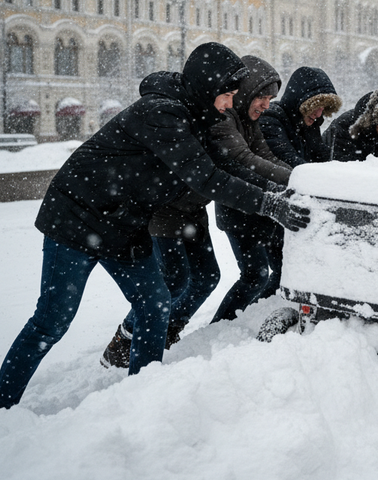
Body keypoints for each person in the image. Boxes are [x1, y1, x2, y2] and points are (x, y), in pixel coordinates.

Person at [0, 42, 310, 409]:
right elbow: (207, 178)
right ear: (208, 87)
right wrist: (268, 204)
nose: (229, 103)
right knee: (52, 320)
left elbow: (231, 163)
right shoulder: (162, 114)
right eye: (226, 94)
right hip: (78, 217)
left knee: (155, 305)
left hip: (126, 224)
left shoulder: (202, 116)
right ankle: (4, 402)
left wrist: (285, 189)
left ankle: (140, 397)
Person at [210, 55, 295, 323]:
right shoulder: (225, 118)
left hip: (254, 209)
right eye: (263, 98)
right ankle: (221, 325)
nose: (266, 105)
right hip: (237, 208)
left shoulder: (249, 119)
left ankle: (238, 321)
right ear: (248, 91)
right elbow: (244, 160)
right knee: (254, 274)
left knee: (260, 274)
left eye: (271, 100)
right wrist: (296, 180)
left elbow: (266, 156)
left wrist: (299, 177)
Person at [100, 189, 223, 368]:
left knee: (207, 277)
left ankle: (169, 329)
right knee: (172, 281)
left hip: (194, 211)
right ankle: (124, 338)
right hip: (164, 211)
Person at [259, 66, 342, 166]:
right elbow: (288, 162)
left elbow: (323, 157)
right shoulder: (270, 118)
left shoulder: (309, 123)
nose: (319, 114)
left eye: (323, 109)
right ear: (301, 103)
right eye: (316, 107)